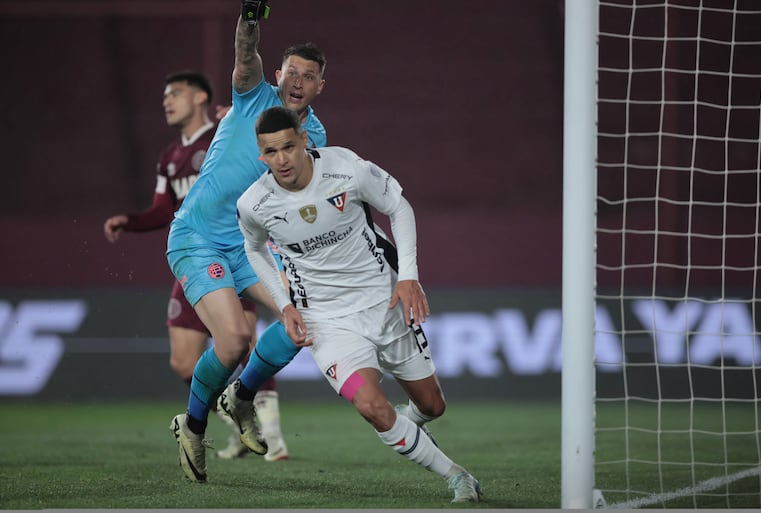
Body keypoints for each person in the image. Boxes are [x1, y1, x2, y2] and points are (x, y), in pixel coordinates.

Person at [231, 105, 482, 504]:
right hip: (326, 321)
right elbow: (254, 249)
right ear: (261, 155)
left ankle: (409, 424)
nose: (281, 159)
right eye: (271, 152)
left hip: (384, 303)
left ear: (305, 142)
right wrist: (284, 305)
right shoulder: (254, 203)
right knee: (369, 405)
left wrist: (408, 276)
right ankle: (458, 476)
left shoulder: (346, 168)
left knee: (433, 406)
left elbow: (399, 207)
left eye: (288, 148)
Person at [166, 0, 327, 482]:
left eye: (309, 76)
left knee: (304, 318)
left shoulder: (314, 136)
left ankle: (240, 395)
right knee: (234, 340)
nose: (298, 81)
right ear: (278, 74)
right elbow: (245, 53)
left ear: (320, 86)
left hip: (249, 247)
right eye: (292, 72)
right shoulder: (252, 94)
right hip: (197, 237)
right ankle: (192, 425)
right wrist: (250, 16)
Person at [103, 70, 288, 462]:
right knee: (184, 359)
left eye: (176, 93)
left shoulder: (229, 130)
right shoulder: (170, 156)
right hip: (198, 250)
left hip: (239, 249)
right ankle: (220, 415)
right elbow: (162, 210)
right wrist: (130, 221)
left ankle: (269, 430)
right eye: (164, 95)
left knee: (246, 337)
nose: (167, 101)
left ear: (202, 96)